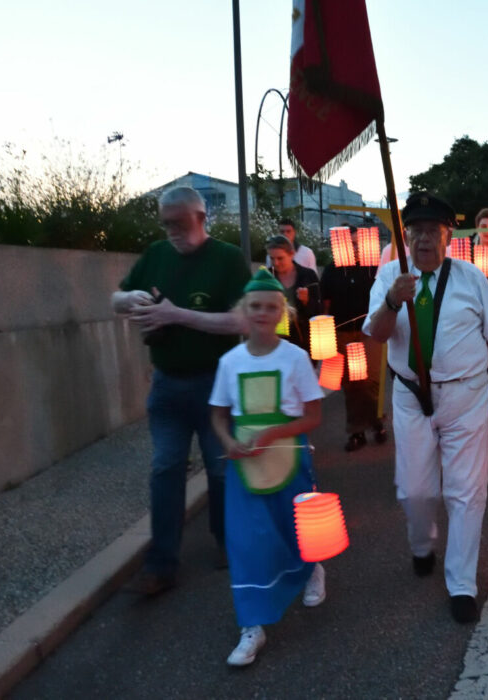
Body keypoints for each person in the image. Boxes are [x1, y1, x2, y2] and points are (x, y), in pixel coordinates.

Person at [364, 192, 488, 624]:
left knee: (467, 492)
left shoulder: (470, 278)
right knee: (415, 489)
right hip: (411, 395)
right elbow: (376, 334)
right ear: (406, 236)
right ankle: (422, 540)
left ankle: (461, 584)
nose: (424, 239)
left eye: (434, 230)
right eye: (416, 231)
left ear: (448, 236)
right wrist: (392, 300)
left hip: (466, 395)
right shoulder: (389, 274)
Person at [110, 186, 251, 595]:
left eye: (178, 222)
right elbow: (115, 298)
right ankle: (161, 565)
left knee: (222, 469)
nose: (170, 230)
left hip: (215, 385)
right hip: (167, 384)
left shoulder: (226, 259)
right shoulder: (155, 255)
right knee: (164, 471)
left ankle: (227, 543)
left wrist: (177, 315)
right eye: (165, 223)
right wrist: (129, 299)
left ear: (201, 217)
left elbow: (241, 322)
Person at [208, 269, 326, 667]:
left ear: (283, 312)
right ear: (243, 310)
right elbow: (219, 416)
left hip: (290, 460)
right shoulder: (230, 361)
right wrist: (228, 443)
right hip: (245, 469)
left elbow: (313, 416)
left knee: (295, 531)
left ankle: (312, 569)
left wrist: (274, 431)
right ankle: (252, 625)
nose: (262, 312)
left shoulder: (295, 358)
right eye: (255, 306)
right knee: (247, 542)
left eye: (271, 306)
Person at [320, 225, 386, 452]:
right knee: (351, 383)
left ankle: (376, 421)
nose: (354, 248)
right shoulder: (331, 271)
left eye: (358, 243)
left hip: (371, 330)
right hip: (342, 332)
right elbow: (325, 306)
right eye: (350, 243)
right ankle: (357, 430)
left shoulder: (373, 269)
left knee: (372, 379)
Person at [266, 234, 321, 351]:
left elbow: (318, 311)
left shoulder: (308, 275)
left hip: (303, 340)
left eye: (280, 258)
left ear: (291, 254)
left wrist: (306, 301)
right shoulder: (266, 277)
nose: (275, 263)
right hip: (275, 341)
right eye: (272, 258)